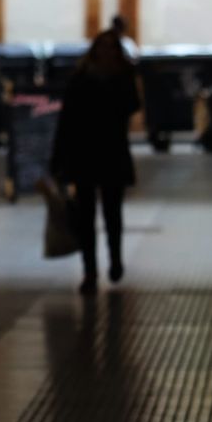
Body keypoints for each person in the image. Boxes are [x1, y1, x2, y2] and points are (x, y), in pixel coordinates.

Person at [49, 30, 141, 295]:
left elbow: (132, 106)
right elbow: (66, 121)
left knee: (113, 213)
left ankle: (114, 260)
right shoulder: (80, 80)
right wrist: (58, 159)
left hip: (110, 153)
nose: (107, 54)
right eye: (103, 48)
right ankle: (89, 269)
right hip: (85, 153)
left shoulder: (121, 79)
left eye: (112, 49)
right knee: (85, 215)